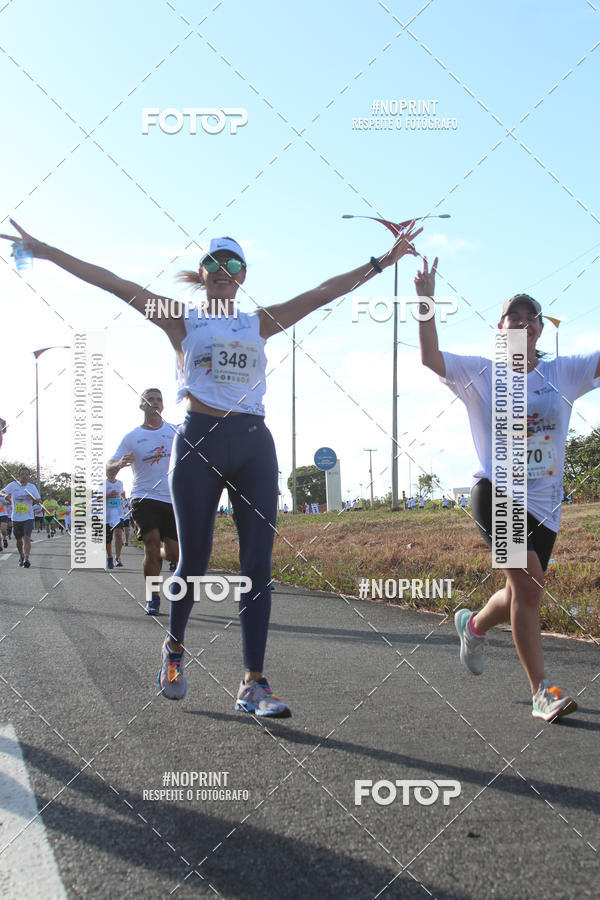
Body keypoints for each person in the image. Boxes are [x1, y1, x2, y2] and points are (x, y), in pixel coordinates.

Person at [1, 217, 422, 716]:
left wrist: (384, 261)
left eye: (233, 264)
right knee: (194, 564)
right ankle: (175, 648)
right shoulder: (180, 319)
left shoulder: (259, 322)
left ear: (243, 275)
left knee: (256, 565)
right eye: (214, 264)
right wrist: (46, 249)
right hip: (198, 442)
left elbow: (324, 291)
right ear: (202, 274)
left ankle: (253, 683)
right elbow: (112, 281)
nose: (224, 271)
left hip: (253, 445)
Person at [415, 256, 600, 722]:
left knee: (523, 588)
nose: (519, 321)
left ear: (539, 328)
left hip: (546, 505)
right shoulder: (481, 373)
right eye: (510, 316)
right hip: (495, 493)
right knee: (530, 588)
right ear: (500, 328)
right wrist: (424, 300)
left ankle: (473, 625)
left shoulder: (564, 374)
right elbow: (430, 357)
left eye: (528, 316)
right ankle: (543, 691)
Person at [107, 388, 179, 614]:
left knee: (174, 552)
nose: (155, 403)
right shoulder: (132, 437)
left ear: (163, 405)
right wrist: (118, 464)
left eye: (159, 399)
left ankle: (167, 556)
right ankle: (153, 596)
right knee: (151, 543)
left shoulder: (176, 431)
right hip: (144, 496)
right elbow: (108, 468)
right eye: (150, 400)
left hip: (173, 499)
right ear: (142, 406)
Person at [0, 466, 41, 567]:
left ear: (29, 476)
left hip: (28, 517)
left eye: (27, 474)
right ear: (19, 476)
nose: (25, 476)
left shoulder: (32, 487)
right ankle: (21, 555)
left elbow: (39, 501)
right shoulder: (13, 485)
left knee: (27, 538)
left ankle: (26, 559)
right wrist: (5, 495)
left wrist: (32, 498)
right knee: (19, 540)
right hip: (16, 517)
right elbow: (1, 492)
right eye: (22, 474)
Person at [105, 475, 125, 568]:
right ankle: (109, 558)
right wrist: (109, 495)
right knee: (108, 538)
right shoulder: (103, 484)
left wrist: (123, 497)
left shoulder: (120, 483)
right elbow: (98, 498)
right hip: (107, 515)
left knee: (118, 534)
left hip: (118, 514)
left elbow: (123, 496)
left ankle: (118, 558)